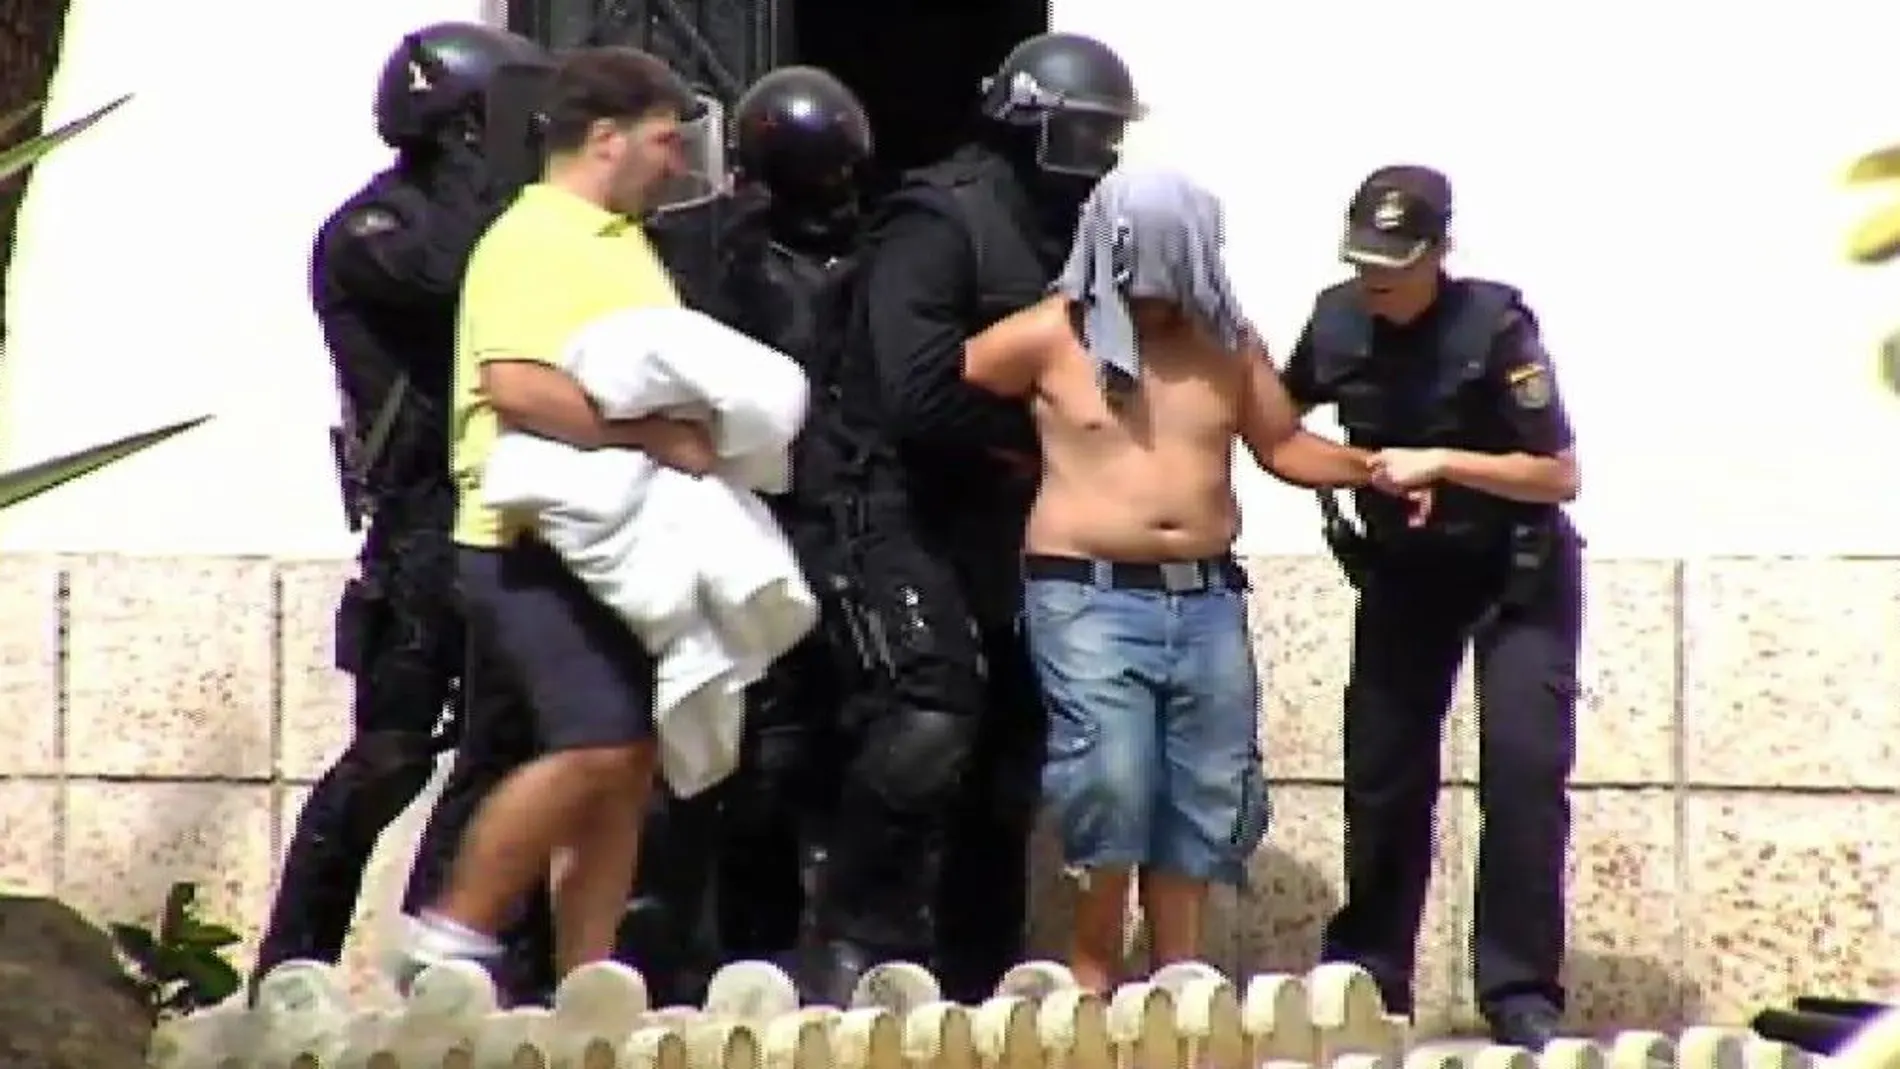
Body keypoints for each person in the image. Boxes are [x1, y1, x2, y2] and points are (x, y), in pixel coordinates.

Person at [962, 163, 1414, 992]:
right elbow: (942, 396)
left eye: (1168, 287)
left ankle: (1179, 974)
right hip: (1085, 591)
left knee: (1204, 784)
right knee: (1112, 775)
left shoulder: (1229, 345)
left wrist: (1373, 469)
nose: (1152, 305)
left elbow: (1283, 447)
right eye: (1136, 287)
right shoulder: (1045, 335)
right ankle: (1091, 971)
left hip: (1205, 597)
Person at [805, 31, 1143, 1003]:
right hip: (897, 505)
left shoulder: (1079, 234)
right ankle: (849, 940)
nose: (1101, 156)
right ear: (1030, 125)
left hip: (1011, 520)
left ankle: (976, 965)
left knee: (1012, 743)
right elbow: (914, 393)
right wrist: (1047, 431)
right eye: (1086, 133)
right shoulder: (936, 220)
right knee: (927, 715)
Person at [391, 45, 723, 986]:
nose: (676, 162)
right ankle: (452, 930)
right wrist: (658, 437)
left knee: (628, 762)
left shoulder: (618, 241)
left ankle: (589, 972)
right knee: (598, 741)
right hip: (527, 546)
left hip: (611, 548)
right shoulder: (535, 238)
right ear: (605, 139)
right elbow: (515, 385)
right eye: (664, 141)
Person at [255, 20, 551, 994]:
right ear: (463, 124)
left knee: (509, 748)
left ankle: (448, 961)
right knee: (387, 755)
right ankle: (289, 966)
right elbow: (472, 287)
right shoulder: (377, 231)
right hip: (422, 524)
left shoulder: (497, 217)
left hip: (505, 512)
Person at [1279, 165, 1584, 1050]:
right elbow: (1278, 424)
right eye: (1365, 259)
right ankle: (1372, 974)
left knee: (1524, 774)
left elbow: (1559, 472)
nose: (1377, 279)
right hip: (1406, 572)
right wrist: (1360, 468)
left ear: (1440, 252)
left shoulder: (1495, 326)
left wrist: (1441, 460)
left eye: (1396, 262)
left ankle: (1520, 988)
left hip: (1516, 576)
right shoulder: (1336, 319)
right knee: (1382, 774)